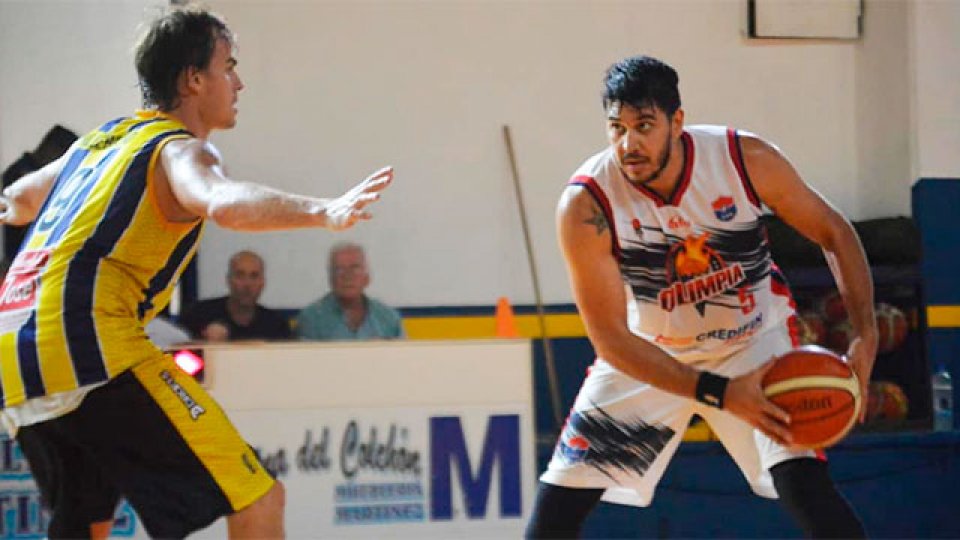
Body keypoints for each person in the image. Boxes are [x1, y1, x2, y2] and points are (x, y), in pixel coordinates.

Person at [0, 6, 392, 539]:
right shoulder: (179, 148)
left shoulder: (101, 141)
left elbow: (20, 199)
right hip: (85, 337)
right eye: (228, 66)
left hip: (14, 351)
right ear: (193, 79)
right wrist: (325, 210)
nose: (239, 82)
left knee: (85, 519)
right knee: (257, 497)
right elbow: (224, 203)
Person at [526, 55, 876, 539]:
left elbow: (833, 231)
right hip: (652, 353)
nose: (629, 144)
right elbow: (609, 339)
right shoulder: (587, 204)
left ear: (678, 122)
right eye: (617, 127)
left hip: (755, 342)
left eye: (644, 126)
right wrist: (718, 392)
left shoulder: (742, 159)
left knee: (803, 481)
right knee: (557, 511)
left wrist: (866, 334)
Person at [296, 242, 404, 340]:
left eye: (355, 268)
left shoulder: (388, 318)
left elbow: (403, 357)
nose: (347, 276)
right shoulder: (312, 318)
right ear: (331, 279)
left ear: (366, 277)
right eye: (339, 269)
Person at [180, 250, 292, 341]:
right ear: (228, 280)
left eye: (254, 276)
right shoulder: (199, 315)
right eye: (240, 275)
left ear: (263, 282)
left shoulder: (276, 325)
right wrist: (206, 343)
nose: (247, 284)